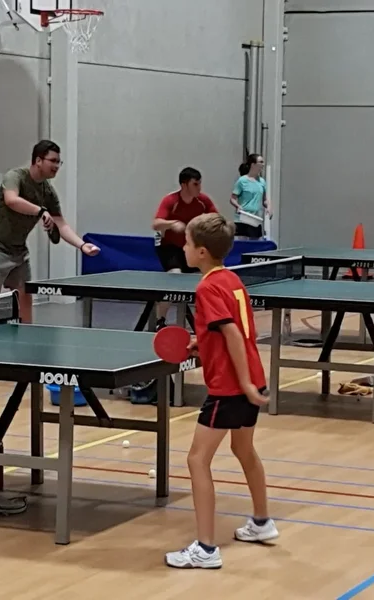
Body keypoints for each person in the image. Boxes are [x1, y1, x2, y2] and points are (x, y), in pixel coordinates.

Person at [165, 213, 277, 568]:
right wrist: (202, 343)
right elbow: (236, 328)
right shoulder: (231, 279)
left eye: (186, 243)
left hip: (230, 386)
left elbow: (232, 333)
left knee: (197, 459)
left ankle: (206, 549)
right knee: (243, 448)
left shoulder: (207, 288)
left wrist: (242, 383)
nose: (183, 248)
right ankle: (261, 522)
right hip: (251, 376)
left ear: (201, 251)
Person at [0, 140, 99, 322]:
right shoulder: (15, 176)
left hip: (18, 250)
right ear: (38, 160)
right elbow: (11, 200)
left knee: (25, 294)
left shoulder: (47, 192)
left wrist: (82, 245)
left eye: (59, 162)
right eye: (53, 161)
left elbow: (61, 224)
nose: (57, 166)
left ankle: (27, 332)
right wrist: (40, 211)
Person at [150, 167, 218, 329]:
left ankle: (208, 320)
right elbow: (156, 224)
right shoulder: (170, 200)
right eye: (195, 184)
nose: (199, 187)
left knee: (205, 279)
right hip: (169, 247)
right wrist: (172, 224)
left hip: (192, 248)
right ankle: (160, 320)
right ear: (184, 184)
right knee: (175, 276)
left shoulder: (203, 201)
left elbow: (216, 218)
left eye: (200, 183)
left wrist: (204, 223)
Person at [230, 153, 270, 239]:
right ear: (253, 164)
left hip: (255, 219)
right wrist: (238, 206)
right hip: (242, 218)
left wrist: (269, 207)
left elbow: (265, 199)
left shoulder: (262, 181)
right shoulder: (242, 181)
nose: (263, 164)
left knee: (255, 243)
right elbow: (233, 198)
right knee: (242, 243)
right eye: (261, 162)